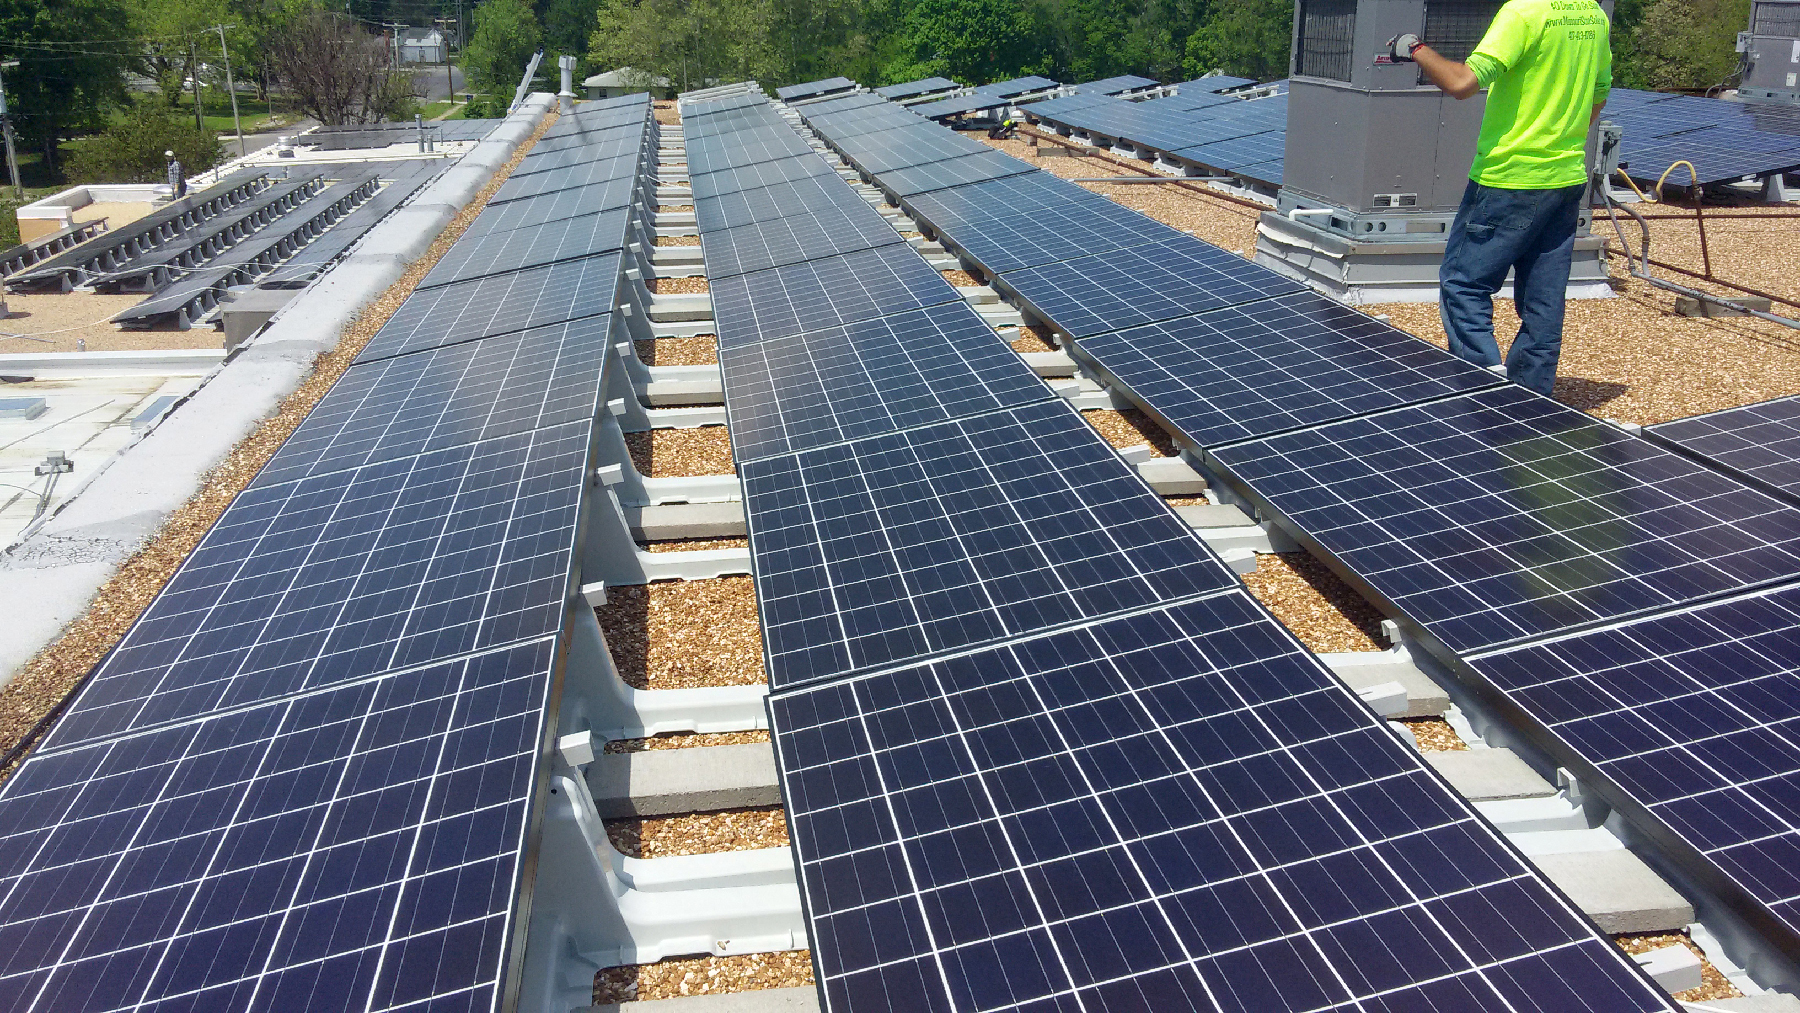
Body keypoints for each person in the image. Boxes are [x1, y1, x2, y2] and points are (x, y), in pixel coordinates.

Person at [1389, 0, 1611, 397]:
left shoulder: (1523, 12)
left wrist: (1414, 48)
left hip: (1508, 179)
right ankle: (1531, 396)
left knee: (1464, 284)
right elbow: (1599, 93)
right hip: (1564, 179)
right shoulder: (1592, 13)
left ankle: (1484, 388)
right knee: (1543, 297)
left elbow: (1461, 84)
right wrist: (1556, 137)